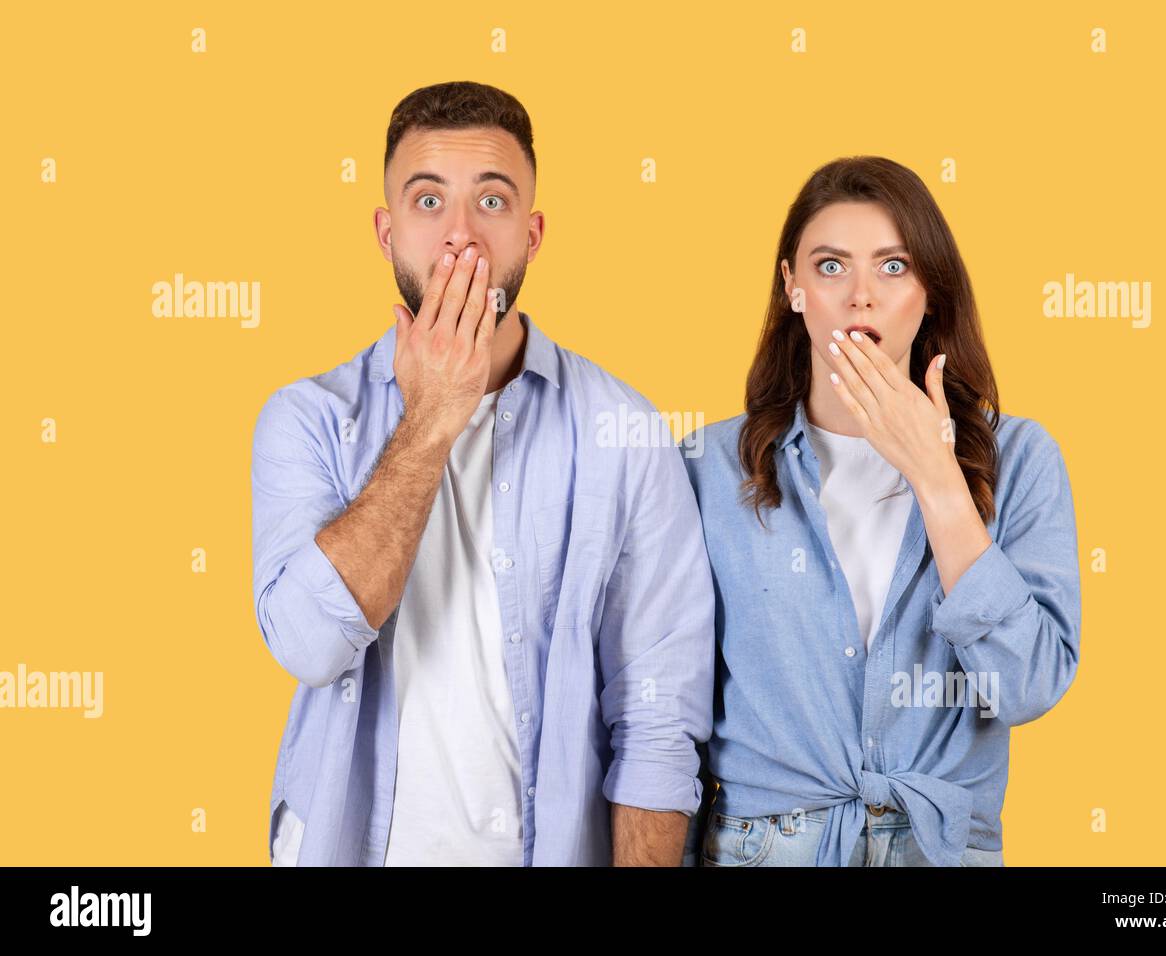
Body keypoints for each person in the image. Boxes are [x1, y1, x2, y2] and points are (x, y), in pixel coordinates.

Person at [252, 81, 714, 866]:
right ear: (385, 229)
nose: (461, 237)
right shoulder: (306, 419)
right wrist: (434, 413)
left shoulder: (625, 432)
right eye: (428, 202)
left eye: (491, 203)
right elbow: (308, 644)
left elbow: (657, 716)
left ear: (532, 235)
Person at [679, 156, 1081, 867]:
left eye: (893, 268)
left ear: (930, 290)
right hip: (765, 849)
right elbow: (667, 710)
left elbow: (1027, 685)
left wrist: (936, 477)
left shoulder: (1021, 457)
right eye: (831, 267)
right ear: (792, 289)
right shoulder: (707, 467)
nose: (861, 296)